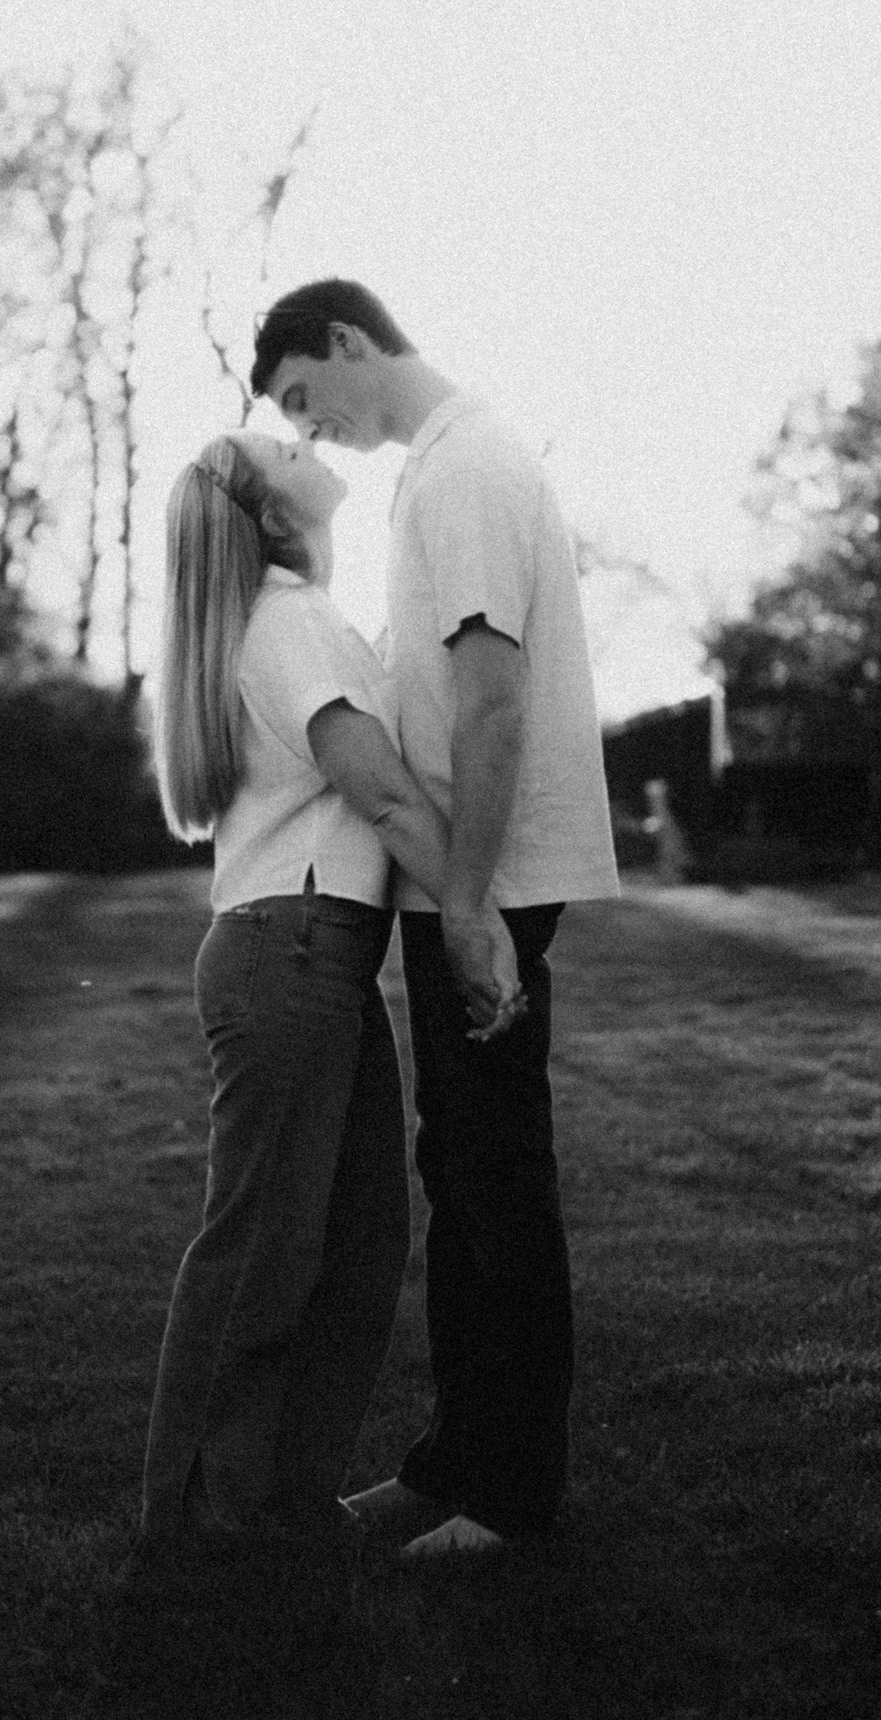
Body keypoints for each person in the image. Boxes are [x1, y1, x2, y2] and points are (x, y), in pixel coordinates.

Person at [251, 279, 620, 1559]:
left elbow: (495, 704)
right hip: (469, 876)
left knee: (493, 1181)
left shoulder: (463, 464)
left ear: (347, 341)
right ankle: (456, 1469)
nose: (313, 429)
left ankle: (505, 1497)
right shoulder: (442, 464)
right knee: (463, 1169)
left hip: (489, 879)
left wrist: (466, 906)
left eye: (305, 394)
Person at [139, 427, 521, 1570]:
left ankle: (283, 1502)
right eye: (280, 444)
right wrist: (471, 911)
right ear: (266, 514)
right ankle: (192, 1524)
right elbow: (383, 792)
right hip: (291, 948)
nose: (301, 439)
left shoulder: (290, 619)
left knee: (355, 1242)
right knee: (261, 1246)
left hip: (314, 953)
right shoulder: (289, 618)